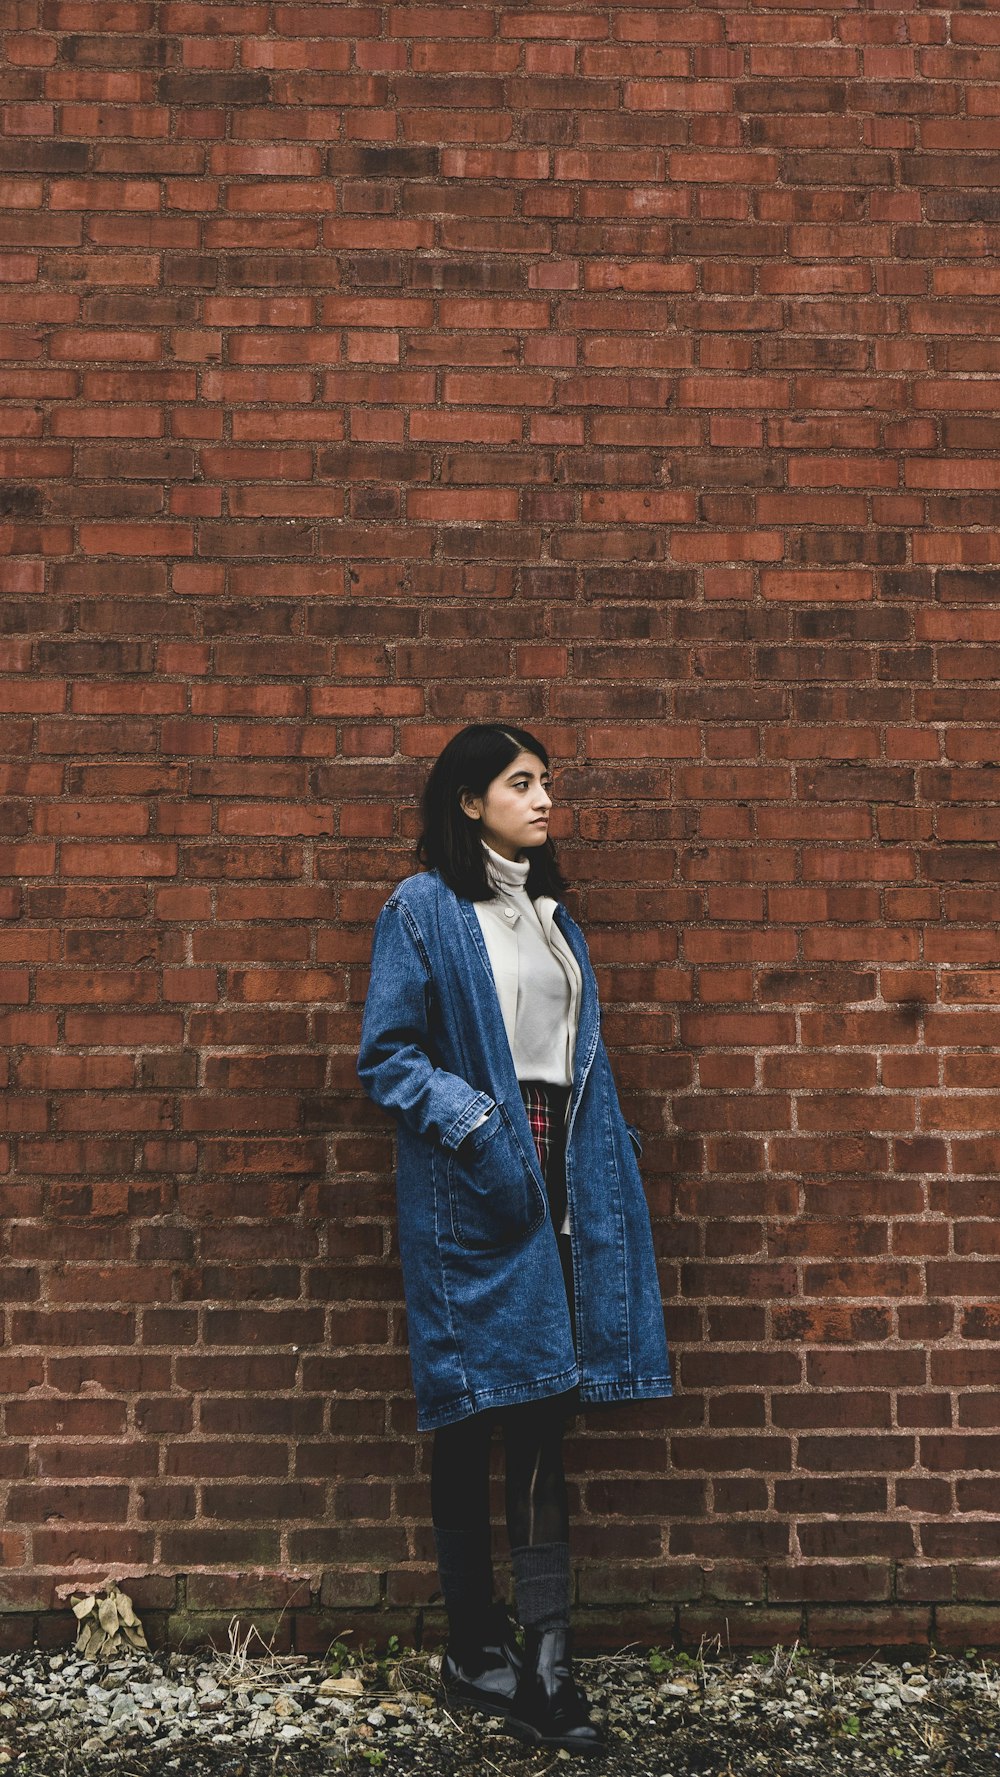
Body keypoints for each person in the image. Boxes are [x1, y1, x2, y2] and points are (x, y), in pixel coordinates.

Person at [357, 724, 672, 1756]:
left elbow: (578, 1061)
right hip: (473, 1180)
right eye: (521, 782)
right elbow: (390, 1058)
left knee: (545, 1413)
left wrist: (602, 1160)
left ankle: (547, 1658)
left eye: (547, 783)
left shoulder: (553, 918)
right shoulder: (424, 910)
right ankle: (471, 1646)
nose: (544, 800)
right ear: (466, 800)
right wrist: (480, 1129)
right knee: (471, 1413)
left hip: (565, 1175)